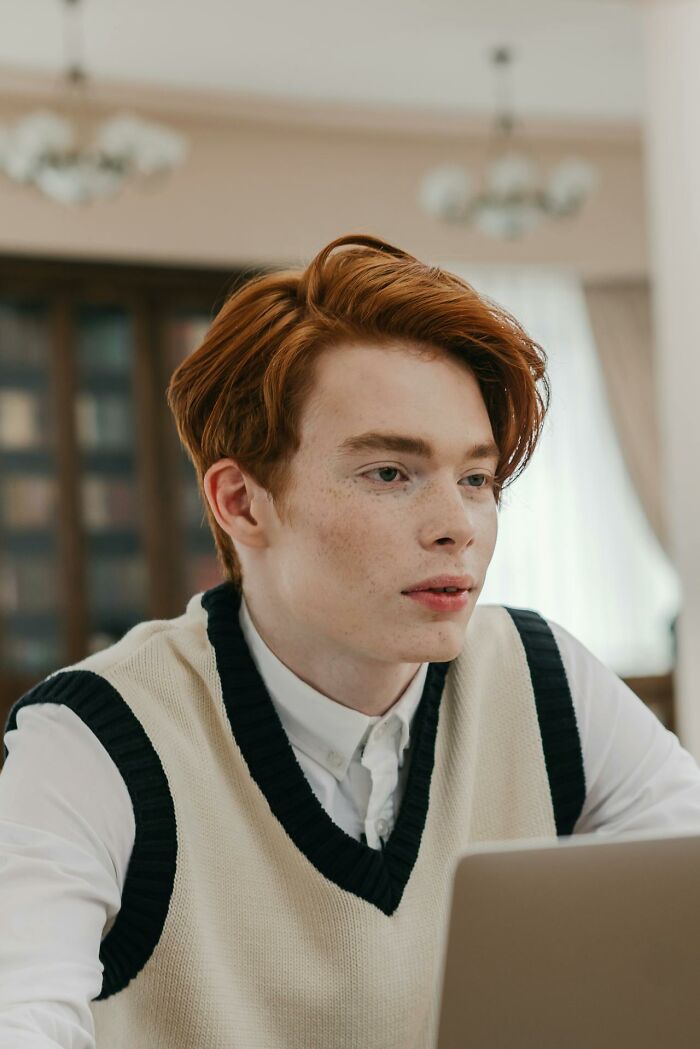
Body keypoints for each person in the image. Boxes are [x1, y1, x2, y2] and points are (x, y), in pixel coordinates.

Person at [1, 233, 700, 1049]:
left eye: (476, 478)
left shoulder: (542, 677)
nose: (456, 528)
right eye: (390, 474)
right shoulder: (93, 739)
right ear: (242, 502)